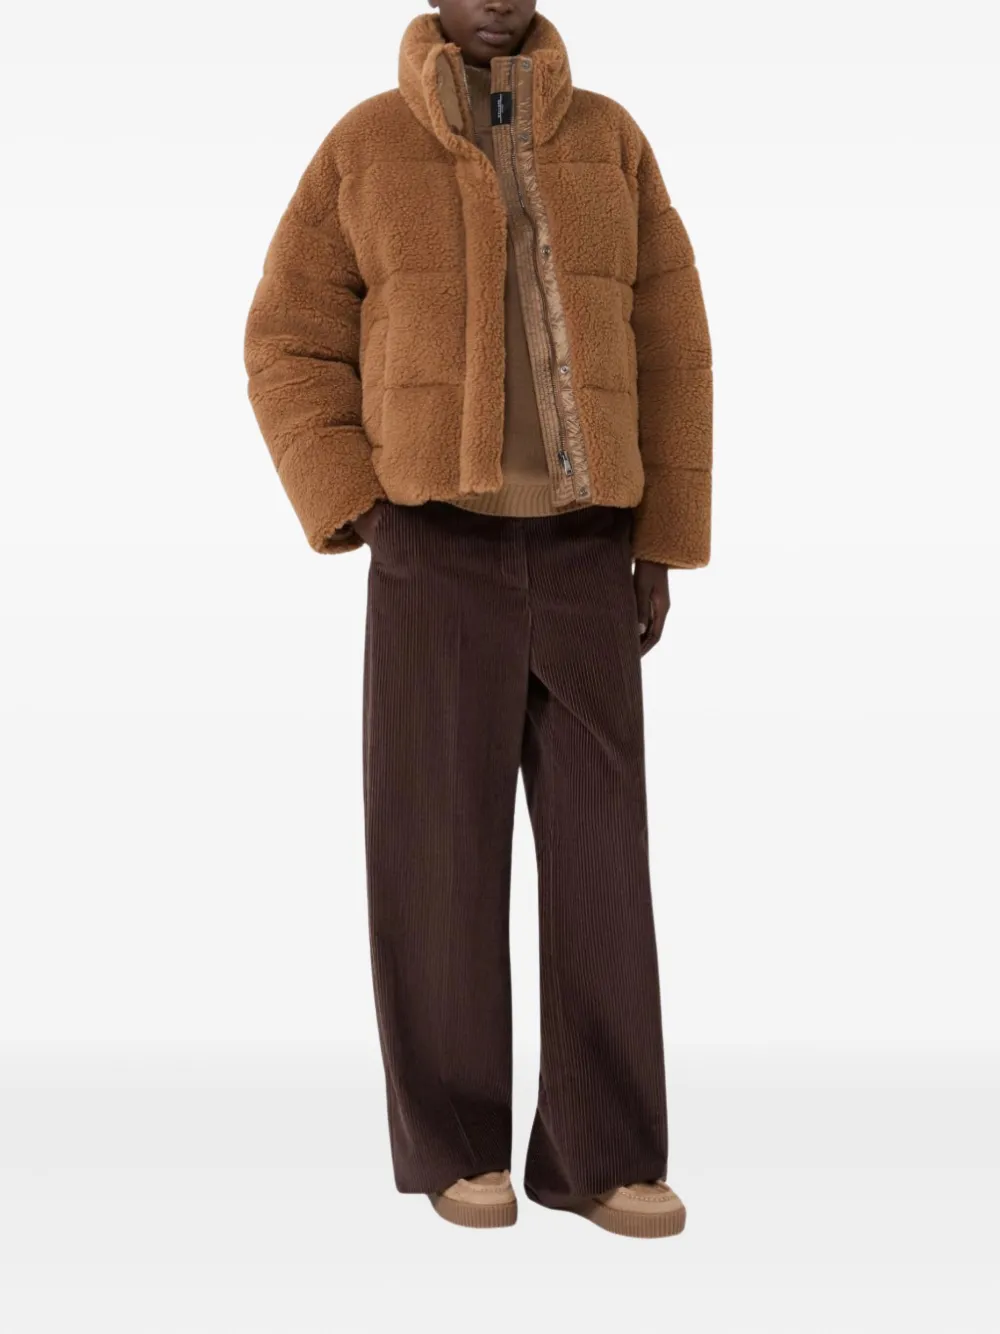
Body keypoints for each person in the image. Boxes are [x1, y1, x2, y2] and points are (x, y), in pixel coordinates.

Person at [243, 0, 712, 1238]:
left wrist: (662, 538)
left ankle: (601, 1153)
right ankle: (457, 1142)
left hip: (587, 551)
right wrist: (358, 504)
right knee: (434, 853)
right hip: (432, 551)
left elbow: (673, 343)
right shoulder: (365, 145)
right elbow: (286, 339)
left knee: (604, 860)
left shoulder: (610, 140)